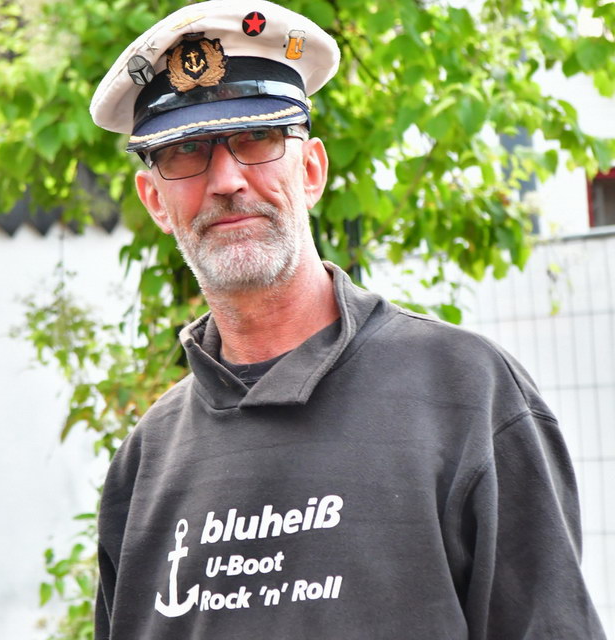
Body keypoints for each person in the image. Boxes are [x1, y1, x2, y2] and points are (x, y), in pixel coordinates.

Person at [90, 1, 606, 638]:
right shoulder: (144, 465)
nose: (226, 180)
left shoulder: (469, 397)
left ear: (310, 171)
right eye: (186, 152)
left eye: (257, 139)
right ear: (154, 201)